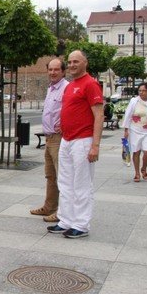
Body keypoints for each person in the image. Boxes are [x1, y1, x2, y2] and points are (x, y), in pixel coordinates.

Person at [47, 50, 103, 239]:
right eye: (70, 62)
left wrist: (95, 145)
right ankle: (66, 220)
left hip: (83, 140)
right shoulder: (70, 86)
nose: (71, 65)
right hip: (67, 140)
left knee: (81, 184)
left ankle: (81, 224)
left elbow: (98, 115)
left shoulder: (91, 84)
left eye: (76, 62)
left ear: (85, 62)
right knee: (65, 182)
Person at [30, 58, 68, 223]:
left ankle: (62, 212)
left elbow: (71, 109)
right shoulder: (51, 88)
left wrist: (66, 124)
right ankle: (49, 206)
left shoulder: (66, 88)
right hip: (49, 138)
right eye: (50, 70)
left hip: (59, 139)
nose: (52, 73)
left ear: (63, 71)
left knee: (62, 176)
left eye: (56, 70)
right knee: (50, 175)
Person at [122, 82, 147, 181]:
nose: (141, 92)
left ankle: (144, 168)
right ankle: (137, 173)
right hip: (135, 129)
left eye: (144, 90)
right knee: (136, 151)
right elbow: (128, 114)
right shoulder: (134, 101)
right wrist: (126, 129)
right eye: (140, 90)